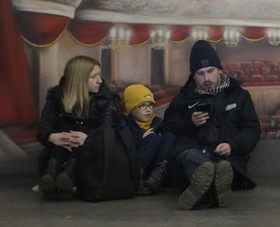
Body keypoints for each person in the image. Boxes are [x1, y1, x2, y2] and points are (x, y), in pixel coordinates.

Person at [159, 40, 261, 210]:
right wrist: (189, 123)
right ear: (193, 76)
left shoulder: (239, 95)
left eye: (210, 71)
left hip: (227, 158)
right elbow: (168, 127)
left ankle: (205, 193)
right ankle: (213, 191)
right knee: (190, 156)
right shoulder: (182, 99)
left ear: (219, 69)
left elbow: (252, 129)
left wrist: (232, 145)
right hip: (193, 155)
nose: (206, 78)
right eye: (200, 73)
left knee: (223, 167)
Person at [36, 56, 117, 200]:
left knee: (79, 136)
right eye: (94, 77)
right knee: (65, 132)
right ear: (79, 79)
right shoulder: (56, 95)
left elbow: (108, 128)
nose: (100, 80)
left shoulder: (106, 97)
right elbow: (45, 124)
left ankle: (67, 176)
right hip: (60, 149)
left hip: (92, 152)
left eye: (99, 75)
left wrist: (88, 139)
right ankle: (52, 176)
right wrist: (52, 137)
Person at [120, 84, 176, 194]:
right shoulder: (123, 125)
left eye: (150, 105)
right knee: (153, 137)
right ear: (131, 108)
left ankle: (158, 174)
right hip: (133, 166)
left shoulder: (158, 122)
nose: (148, 110)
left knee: (169, 136)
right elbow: (122, 151)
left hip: (153, 169)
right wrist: (142, 139)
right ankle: (137, 177)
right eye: (143, 106)